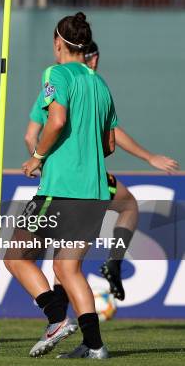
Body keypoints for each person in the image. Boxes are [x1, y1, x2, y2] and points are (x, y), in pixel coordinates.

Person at [25, 41, 179, 302]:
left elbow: (31, 135)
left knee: (63, 255)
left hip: (66, 180)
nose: (94, 63)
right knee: (66, 254)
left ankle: (68, 311)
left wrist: (40, 159)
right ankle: (111, 265)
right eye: (91, 57)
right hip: (83, 180)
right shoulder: (88, 84)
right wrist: (148, 156)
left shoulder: (60, 82)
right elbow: (111, 136)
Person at [3, 12, 116, 359]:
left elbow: (57, 119)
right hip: (95, 193)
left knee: (16, 257)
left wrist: (38, 156)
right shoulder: (100, 84)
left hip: (61, 189)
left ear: (58, 43)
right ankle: (95, 346)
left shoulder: (56, 73)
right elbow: (109, 144)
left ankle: (56, 319)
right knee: (68, 269)